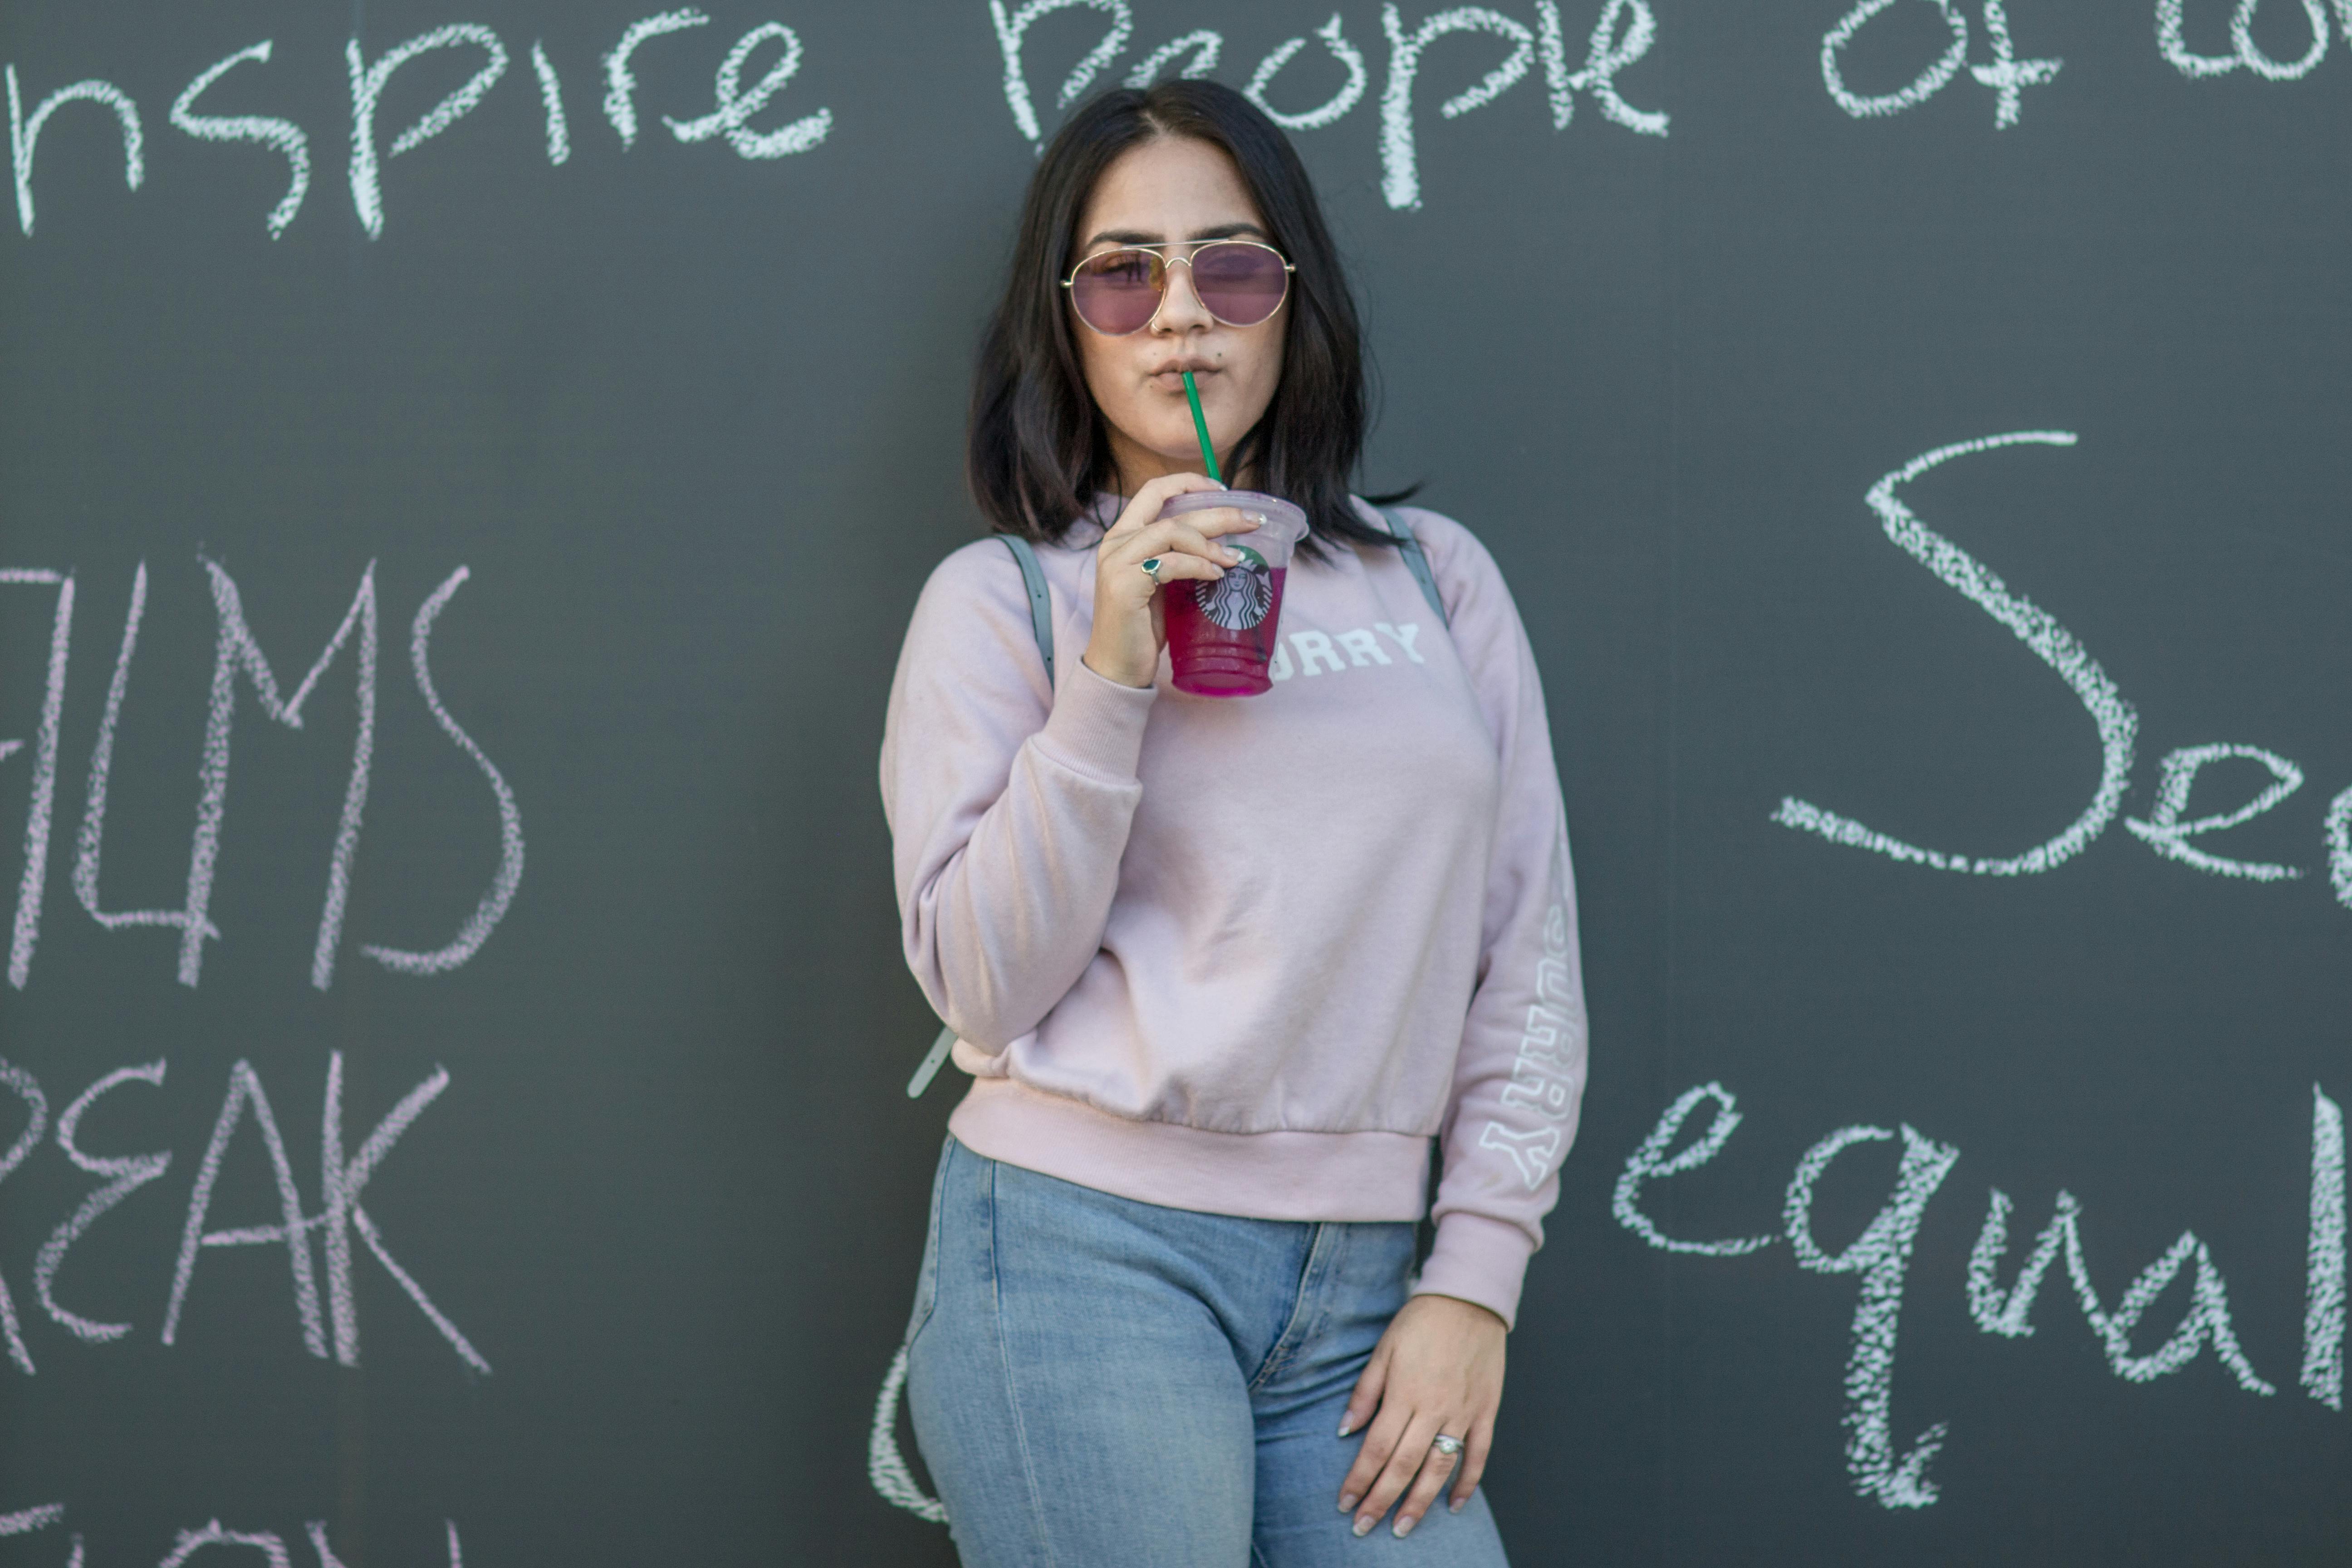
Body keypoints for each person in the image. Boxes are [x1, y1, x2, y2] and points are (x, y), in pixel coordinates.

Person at [879, 78, 1588, 1568]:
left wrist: (1475, 1281)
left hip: (1368, 1302)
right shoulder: (1000, 603)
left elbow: (1526, 955)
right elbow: (981, 988)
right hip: (1083, 1262)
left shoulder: (1437, 580)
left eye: (1233, 266)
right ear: (1065, 323)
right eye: (1124, 274)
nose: (1182, 315)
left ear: (1293, 302)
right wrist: (1112, 678)